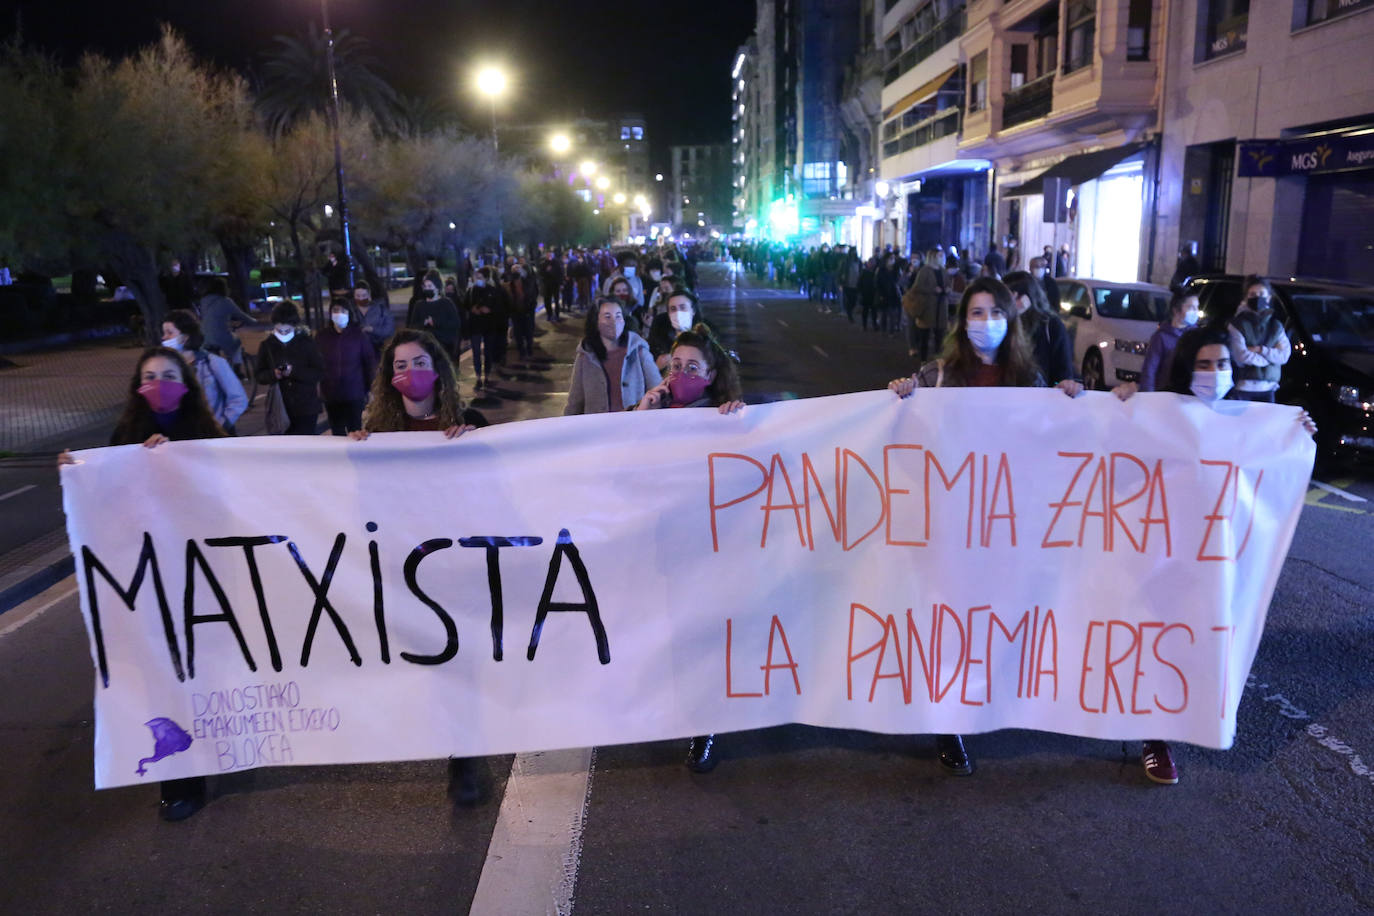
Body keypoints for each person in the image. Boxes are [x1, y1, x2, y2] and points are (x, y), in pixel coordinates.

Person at [887, 277, 1084, 776]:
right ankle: (947, 723)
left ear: (1010, 320)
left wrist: (1068, 399)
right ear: (962, 322)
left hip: (1003, 524)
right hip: (950, 523)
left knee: (990, 616)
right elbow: (904, 429)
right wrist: (901, 394)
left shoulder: (1027, 379)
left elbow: (1052, 438)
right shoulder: (938, 376)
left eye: (994, 313)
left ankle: (987, 701)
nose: (985, 323)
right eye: (975, 314)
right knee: (949, 620)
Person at [1109, 325, 1316, 785]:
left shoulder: (1248, 422)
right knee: (1155, 642)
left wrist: (1295, 434)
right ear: (1185, 368)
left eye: (1222, 363)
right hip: (1157, 557)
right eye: (1203, 364)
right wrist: (1115, 403)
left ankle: (1188, 720)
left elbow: (1271, 474)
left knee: (1199, 645)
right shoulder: (1155, 414)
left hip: (1214, 561)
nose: (1214, 372)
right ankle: (1154, 739)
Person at [60, 346, 226, 820]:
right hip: (148, 576)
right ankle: (181, 780)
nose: (159, 383)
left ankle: (223, 746)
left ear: (186, 384)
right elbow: (104, 496)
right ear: (137, 385)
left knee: (200, 672)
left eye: (169, 375)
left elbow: (230, 493)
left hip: (201, 575)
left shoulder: (210, 436)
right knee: (163, 672)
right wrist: (79, 474)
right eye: (150, 376)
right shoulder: (123, 437)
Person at [635, 325, 746, 774]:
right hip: (663, 547)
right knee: (670, 635)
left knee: (704, 638)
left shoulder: (724, 417)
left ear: (711, 373)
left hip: (712, 551)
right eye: (674, 365)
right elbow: (612, 458)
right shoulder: (652, 413)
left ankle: (705, 727)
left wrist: (740, 423)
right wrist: (642, 410)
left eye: (691, 367)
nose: (681, 373)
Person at [565, 297, 661, 415]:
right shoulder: (586, 356)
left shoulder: (638, 351)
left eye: (618, 316)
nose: (614, 321)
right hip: (598, 428)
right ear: (596, 321)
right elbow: (575, 401)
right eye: (607, 316)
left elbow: (657, 390)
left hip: (633, 426)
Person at [161, 310, 248, 434]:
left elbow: (239, 399)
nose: (164, 338)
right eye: (164, 333)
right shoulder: (167, 368)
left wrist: (221, 425)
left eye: (169, 333)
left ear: (185, 338)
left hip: (214, 437)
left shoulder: (212, 363)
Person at [1002, 270, 1080, 392]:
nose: (1004, 305)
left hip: (1041, 403)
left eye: (1010, 299)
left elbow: (1063, 374)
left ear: (1025, 299)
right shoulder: (1001, 326)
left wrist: (1061, 385)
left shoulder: (1051, 326)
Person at [255, 302, 325, 435]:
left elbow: (319, 372)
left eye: (287, 331)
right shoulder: (267, 345)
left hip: (306, 407)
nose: (282, 334)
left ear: (294, 326)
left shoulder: (306, 343)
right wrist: (274, 374)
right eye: (279, 330)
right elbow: (259, 375)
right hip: (280, 407)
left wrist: (294, 372)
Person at [317, 297, 378, 435]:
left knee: (355, 430)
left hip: (354, 392)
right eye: (335, 310)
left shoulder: (358, 335)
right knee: (337, 431)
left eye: (343, 310)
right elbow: (317, 363)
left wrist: (371, 389)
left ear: (349, 313)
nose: (339, 313)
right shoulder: (322, 336)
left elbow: (369, 363)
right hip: (331, 393)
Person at [1226, 276, 1291, 403]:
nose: (1257, 297)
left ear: (1268, 297)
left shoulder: (1276, 326)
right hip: (1243, 389)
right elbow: (1241, 356)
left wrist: (1260, 350)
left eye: (1261, 293)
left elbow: (1284, 356)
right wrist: (1270, 359)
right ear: (1246, 298)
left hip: (1269, 389)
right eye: (1252, 294)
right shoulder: (1237, 324)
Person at [1139, 290, 1200, 392]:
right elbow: (1149, 371)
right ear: (1176, 310)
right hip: (1166, 395)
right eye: (1191, 307)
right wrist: (1148, 398)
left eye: (1197, 307)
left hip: (1189, 396)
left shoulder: (1196, 335)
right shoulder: (1161, 337)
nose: (1196, 311)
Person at [195, 277, 257, 373]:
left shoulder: (203, 301)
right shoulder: (225, 301)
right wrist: (253, 321)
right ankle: (237, 369)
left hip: (205, 337)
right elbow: (241, 315)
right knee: (237, 342)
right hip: (221, 337)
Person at [464, 266, 509, 390]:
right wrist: (471, 309)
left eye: (480, 277)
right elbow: (465, 305)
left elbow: (499, 308)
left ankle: (487, 376)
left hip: (489, 326)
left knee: (488, 353)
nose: (477, 279)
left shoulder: (492, 291)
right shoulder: (471, 290)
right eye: (476, 277)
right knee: (476, 353)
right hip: (475, 326)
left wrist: (489, 310)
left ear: (486, 278)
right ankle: (478, 377)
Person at [647, 287, 709, 371]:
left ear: (693, 311)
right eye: (673, 309)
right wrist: (657, 367)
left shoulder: (706, 336)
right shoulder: (658, 339)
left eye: (683, 307)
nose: (678, 313)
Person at [408, 270, 461, 361]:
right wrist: (423, 323)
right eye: (425, 286)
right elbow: (412, 326)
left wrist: (435, 322)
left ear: (437, 287)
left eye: (430, 286)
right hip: (425, 346)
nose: (427, 289)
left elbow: (455, 323)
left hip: (445, 345)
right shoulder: (419, 305)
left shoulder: (446, 303)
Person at [905, 248, 947, 362]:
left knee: (940, 336)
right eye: (939, 255)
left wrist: (946, 290)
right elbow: (917, 287)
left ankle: (937, 360)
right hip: (928, 307)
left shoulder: (943, 270)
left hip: (941, 306)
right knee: (925, 335)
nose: (941, 258)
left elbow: (947, 284)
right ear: (933, 257)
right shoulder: (925, 270)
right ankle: (923, 360)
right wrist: (933, 289)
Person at [505, 260, 539, 361]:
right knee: (518, 333)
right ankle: (522, 352)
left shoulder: (528, 282)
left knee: (528, 332)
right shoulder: (509, 285)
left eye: (518, 270)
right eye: (514, 271)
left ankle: (529, 348)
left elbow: (533, 293)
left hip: (527, 311)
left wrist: (531, 306)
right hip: (516, 312)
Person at [355, 282, 395, 354]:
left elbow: (389, 330)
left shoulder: (381, 309)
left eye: (364, 295)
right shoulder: (351, 310)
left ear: (369, 295)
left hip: (378, 349)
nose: (361, 298)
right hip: (356, 350)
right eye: (358, 296)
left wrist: (372, 329)